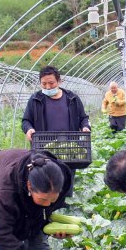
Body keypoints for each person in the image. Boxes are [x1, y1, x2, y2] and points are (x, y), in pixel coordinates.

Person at [22, 66, 91, 196]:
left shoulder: (72, 98)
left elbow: (83, 118)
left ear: (59, 81)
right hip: (44, 151)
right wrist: (29, 129)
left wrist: (85, 127)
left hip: (69, 150)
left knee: (67, 182)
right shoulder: (35, 99)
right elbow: (26, 121)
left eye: (51, 83)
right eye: (44, 84)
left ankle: (66, 204)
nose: (47, 87)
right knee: (46, 183)